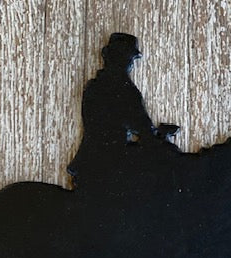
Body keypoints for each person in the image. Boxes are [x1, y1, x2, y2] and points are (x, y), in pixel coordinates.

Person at [67, 33, 179, 185]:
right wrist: (160, 136)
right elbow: (141, 126)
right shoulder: (123, 90)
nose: (128, 62)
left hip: (91, 157)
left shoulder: (95, 85)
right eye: (127, 58)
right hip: (112, 160)